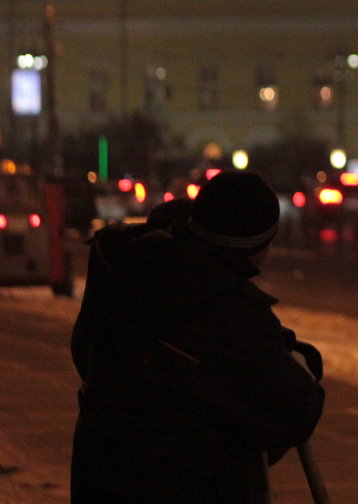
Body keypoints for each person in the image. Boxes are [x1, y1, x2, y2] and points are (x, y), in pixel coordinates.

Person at [71, 170, 325, 504]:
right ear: (258, 245)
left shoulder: (129, 271)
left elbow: (83, 353)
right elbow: (294, 405)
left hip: (104, 478)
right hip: (183, 484)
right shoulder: (213, 304)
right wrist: (303, 361)